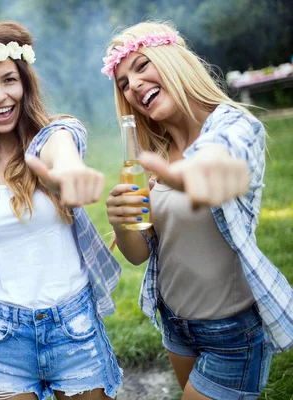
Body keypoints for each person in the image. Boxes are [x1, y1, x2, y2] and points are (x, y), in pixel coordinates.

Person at [0, 21, 123, 400]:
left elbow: (61, 151)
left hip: (73, 325)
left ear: (25, 83)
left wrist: (70, 173)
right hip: (3, 335)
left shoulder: (56, 133)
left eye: (9, 80)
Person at [102, 21, 293, 400]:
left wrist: (191, 173)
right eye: (124, 82)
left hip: (232, 332)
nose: (134, 85)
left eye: (141, 67)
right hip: (176, 325)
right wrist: (121, 223)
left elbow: (221, 153)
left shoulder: (233, 125)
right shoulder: (152, 156)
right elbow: (139, 254)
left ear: (173, 61)